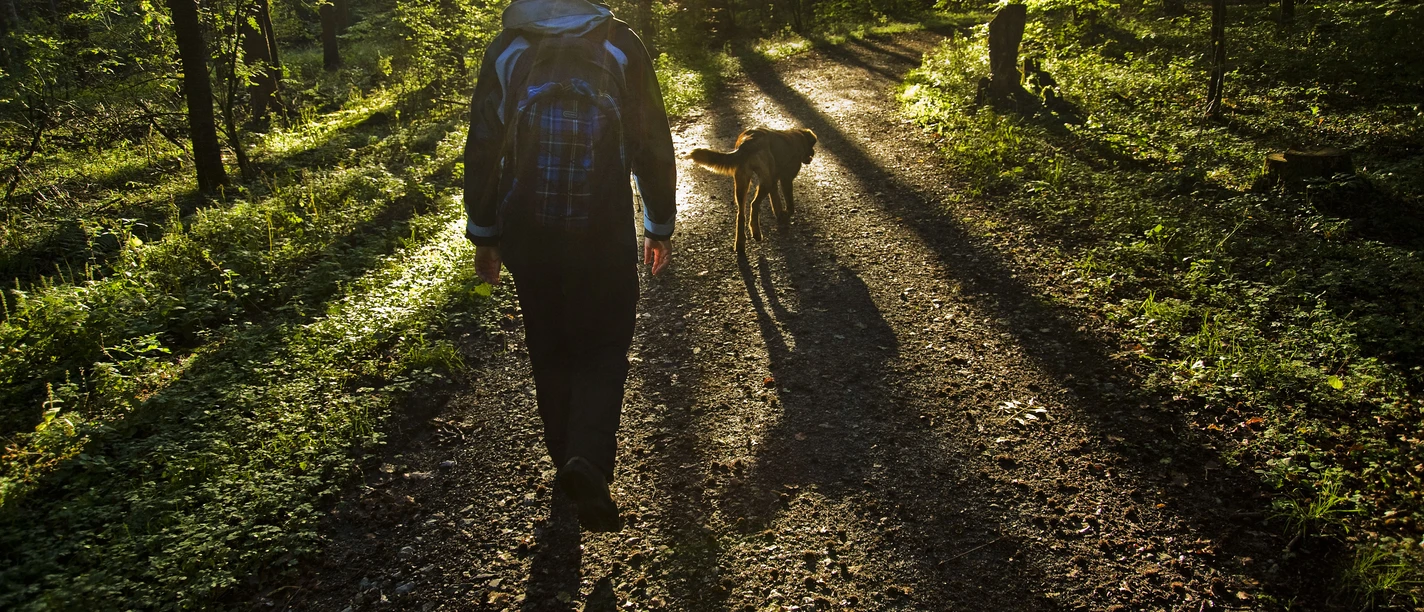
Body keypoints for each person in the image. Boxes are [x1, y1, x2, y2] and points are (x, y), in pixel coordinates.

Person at [463, 0, 676, 532]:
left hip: (529, 232)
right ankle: (589, 459)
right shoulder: (619, 44)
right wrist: (659, 221)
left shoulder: (508, 48)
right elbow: (651, 139)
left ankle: (565, 462)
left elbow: (485, 144)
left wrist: (484, 232)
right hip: (601, 228)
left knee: (549, 344)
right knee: (604, 344)